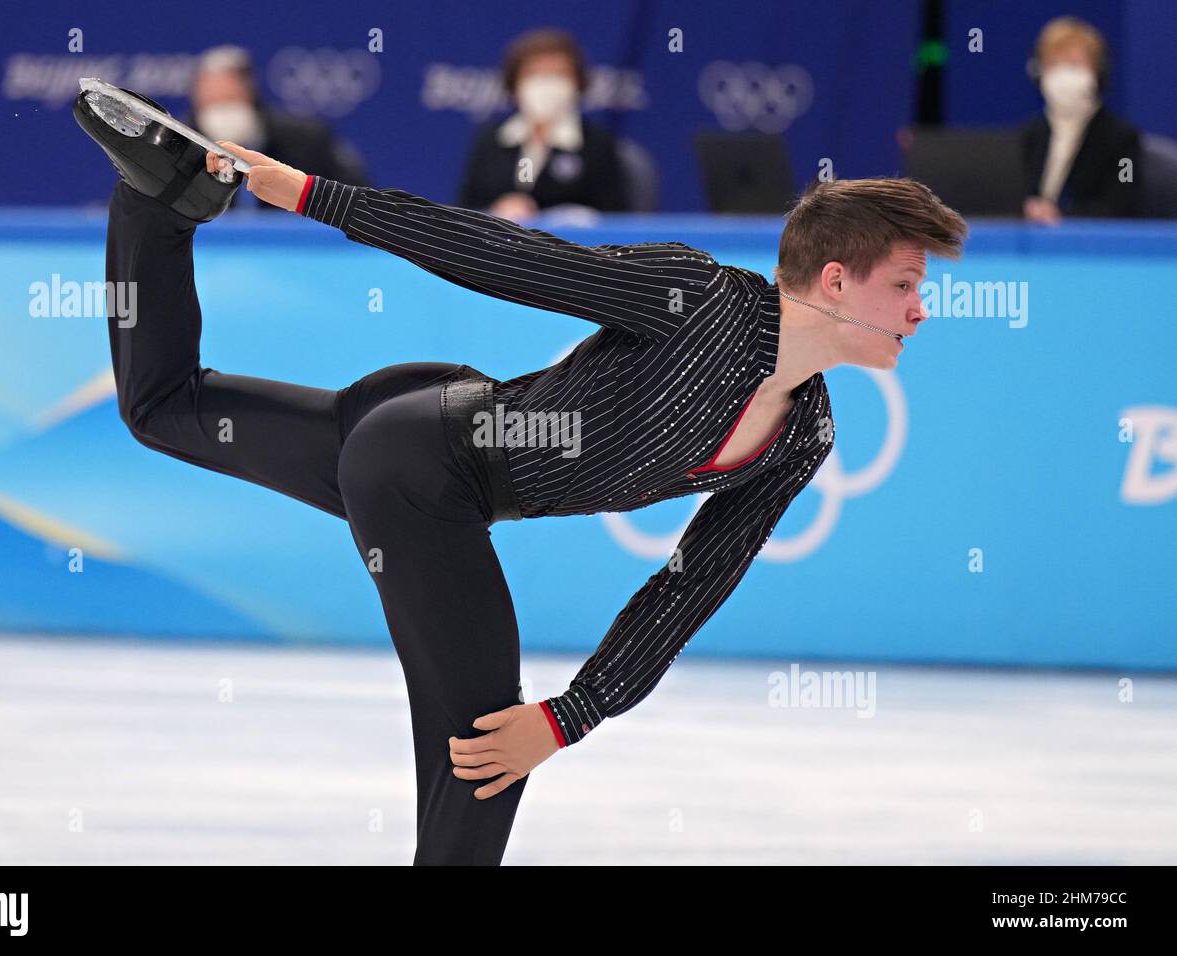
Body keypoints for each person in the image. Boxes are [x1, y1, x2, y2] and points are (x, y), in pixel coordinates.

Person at [74, 85, 966, 864]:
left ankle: (156, 198)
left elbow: (690, 586)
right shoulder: (700, 300)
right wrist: (311, 193)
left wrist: (577, 712)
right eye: (906, 287)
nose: (921, 312)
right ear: (839, 282)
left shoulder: (803, 431)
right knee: (484, 747)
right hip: (425, 470)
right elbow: (510, 259)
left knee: (163, 407)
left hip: (429, 429)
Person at [455, 28, 630, 220]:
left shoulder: (596, 143)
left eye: (559, 75)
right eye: (534, 75)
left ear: (578, 83)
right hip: (500, 246)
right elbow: (465, 209)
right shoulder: (492, 139)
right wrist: (496, 210)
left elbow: (615, 217)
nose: (546, 85)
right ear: (515, 84)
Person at [184, 45, 371, 212]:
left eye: (229, 98)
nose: (222, 113)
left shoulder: (305, 139)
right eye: (213, 102)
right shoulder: (180, 144)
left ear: (249, 92)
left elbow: (356, 202)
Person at [1020, 16, 1141, 223]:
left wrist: (1061, 217)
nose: (1063, 75)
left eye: (1073, 64)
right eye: (1053, 64)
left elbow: (1122, 208)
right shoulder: (1034, 134)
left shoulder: (1121, 138)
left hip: (1092, 248)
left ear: (1097, 72)